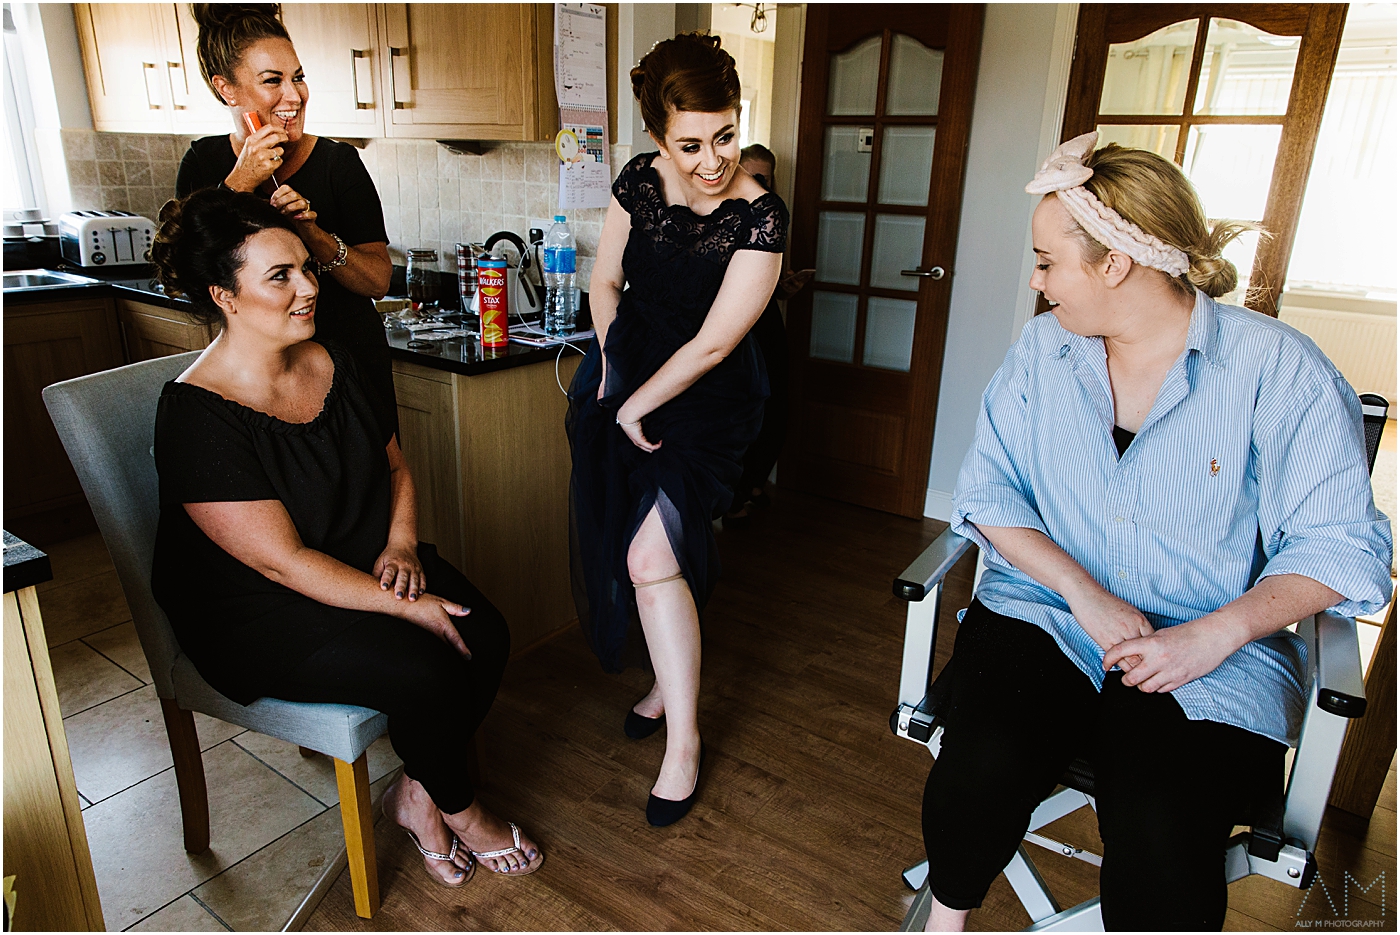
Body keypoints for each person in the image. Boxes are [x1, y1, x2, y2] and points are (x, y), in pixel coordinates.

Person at [921, 133, 1392, 931]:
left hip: (1212, 648)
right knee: (982, 762)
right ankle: (945, 917)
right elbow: (989, 493)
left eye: (1045, 261)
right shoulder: (1043, 353)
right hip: (1050, 614)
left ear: (1114, 263)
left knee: (1162, 818)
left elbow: (1341, 545)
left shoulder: (1280, 371)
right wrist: (1085, 594)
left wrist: (1212, 636)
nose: (1035, 283)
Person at [149, 188, 543, 889]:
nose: (307, 287)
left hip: (356, 554)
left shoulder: (330, 357)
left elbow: (395, 466)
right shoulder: (195, 414)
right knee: (425, 668)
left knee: (487, 630)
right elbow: (281, 561)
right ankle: (466, 811)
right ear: (224, 294)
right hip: (260, 610)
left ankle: (418, 794)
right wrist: (405, 605)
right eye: (280, 276)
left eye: (306, 267)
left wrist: (401, 545)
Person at [566, 33, 787, 826]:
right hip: (626, 377)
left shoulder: (759, 215)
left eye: (726, 135)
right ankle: (666, 680)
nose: (711, 159)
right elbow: (605, 279)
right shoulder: (639, 181)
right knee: (642, 542)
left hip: (712, 400)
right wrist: (611, 374)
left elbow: (716, 342)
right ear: (658, 137)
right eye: (689, 143)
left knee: (650, 550)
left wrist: (636, 404)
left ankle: (684, 742)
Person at [175, 4, 397, 436]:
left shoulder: (338, 164)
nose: (294, 97)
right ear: (227, 90)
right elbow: (185, 275)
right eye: (272, 81)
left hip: (351, 360)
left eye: (297, 77)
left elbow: (377, 282)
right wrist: (240, 182)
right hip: (256, 378)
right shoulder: (204, 163)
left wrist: (311, 233)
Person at [722, 143, 813, 528]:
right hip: (732, 321)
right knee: (742, 405)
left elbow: (767, 276)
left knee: (776, 402)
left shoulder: (773, 214)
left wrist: (785, 289)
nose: (759, 184)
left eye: (765, 178)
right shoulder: (723, 213)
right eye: (752, 175)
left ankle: (755, 483)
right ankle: (735, 494)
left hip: (765, 318)